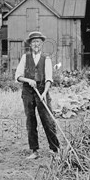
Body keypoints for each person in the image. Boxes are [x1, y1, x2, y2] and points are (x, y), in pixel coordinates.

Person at [15, 31, 60, 159]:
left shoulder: (46, 58)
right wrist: (28, 80)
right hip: (27, 91)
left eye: (38, 42)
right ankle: (34, 151)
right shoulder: (25, 57)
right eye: (33, 42)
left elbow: (49, 79)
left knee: (47, 120)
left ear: (41, 44)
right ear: (30, 44)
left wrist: (44, 93)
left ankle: (54, 149)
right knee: (30, 120)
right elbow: (18, 76)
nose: (36, 44)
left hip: (41, 89)